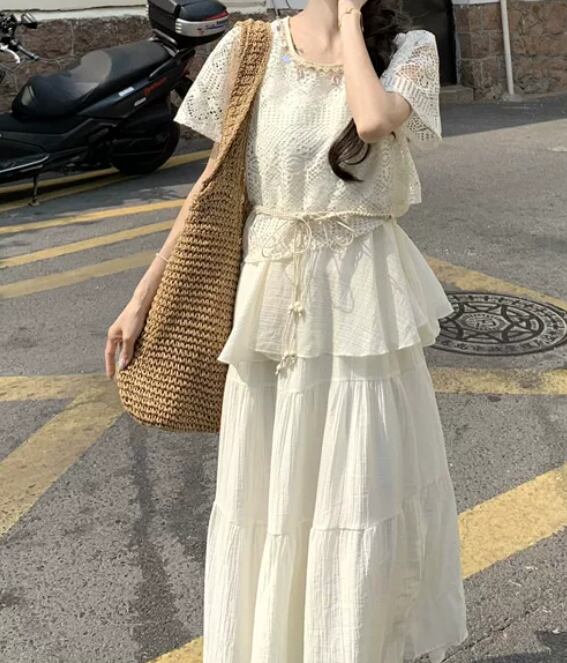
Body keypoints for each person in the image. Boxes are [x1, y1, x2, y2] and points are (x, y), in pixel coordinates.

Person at [105, 0, 468, 661]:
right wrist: (141, 297)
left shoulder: (410, 48)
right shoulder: (252, 48)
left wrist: (351, 25)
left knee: (361, 486)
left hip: (363, 300)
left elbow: (371, 121)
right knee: (270, 490)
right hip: (270, 299)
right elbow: (211, 187)